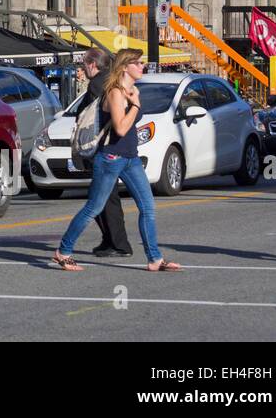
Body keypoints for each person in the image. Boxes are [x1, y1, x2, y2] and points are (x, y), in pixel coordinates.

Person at [53, 49, 183, 273]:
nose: (142, 66)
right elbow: (121, 128)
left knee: (148, 207)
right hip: (111, 157)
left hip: (130, 158)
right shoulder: (114, 93)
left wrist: (135, 103)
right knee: (94, 208)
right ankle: (64, 252)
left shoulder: (132, 90)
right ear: (125, 67)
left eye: (142, 63)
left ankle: (154, 259)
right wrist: (136, 106)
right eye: (138, 63)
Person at [78, 47, 131, 258]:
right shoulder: (113, 79)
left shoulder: (97, 84)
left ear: (92, 64)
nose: (83, 70)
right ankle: (111, 240)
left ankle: (119, 243)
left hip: (103, 147)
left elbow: (89, 116)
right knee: (105, 196)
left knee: (104, 198)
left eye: (84, 66)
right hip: (115, 146)